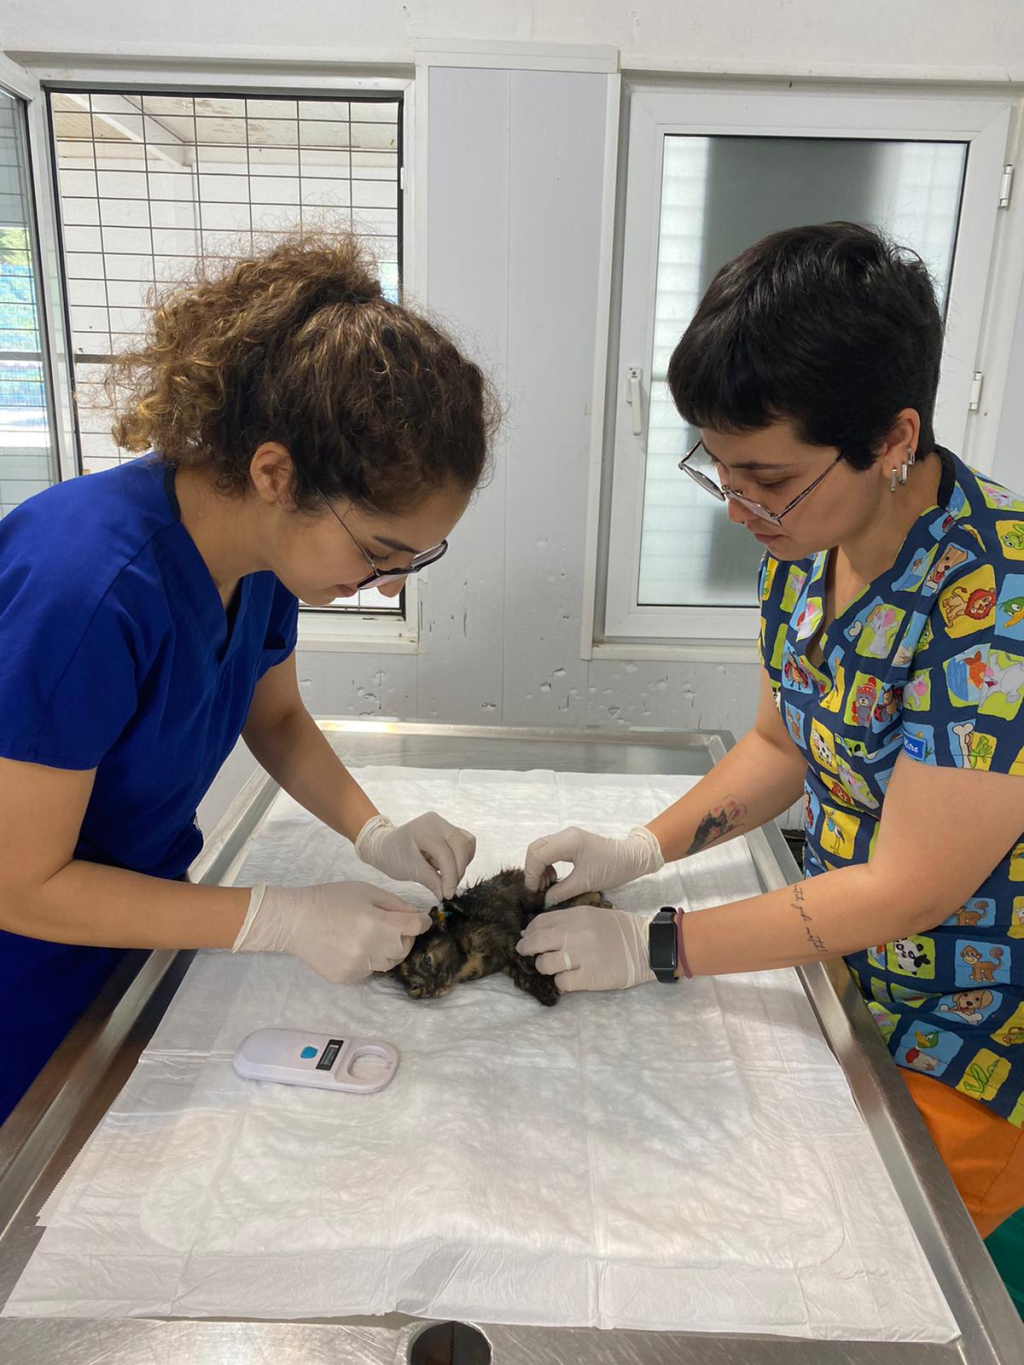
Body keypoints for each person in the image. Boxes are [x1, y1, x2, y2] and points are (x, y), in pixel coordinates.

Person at [517, 222, 1024, 1238]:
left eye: (770, 477)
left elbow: (909, 888)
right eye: (720, 469)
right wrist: (641, 848)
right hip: (836, 973)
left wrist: (656, 946)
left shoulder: (995, 600)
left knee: (878, 1261)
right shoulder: (806, 546)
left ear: (892, 439)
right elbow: (779, 748)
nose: (739, 506)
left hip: (958, 1038)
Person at [0, 235, 497, 1125]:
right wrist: (275, 918)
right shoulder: (85, 592)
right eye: (379, 552)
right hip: (26, 969)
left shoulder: (261, 563)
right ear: (276, 473)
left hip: (137, 925)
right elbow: (20, 883)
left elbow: (277, 719)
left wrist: (374, 830)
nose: (387, 585)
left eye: (414, 561)